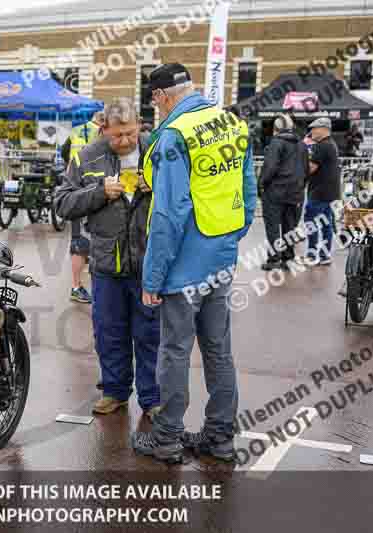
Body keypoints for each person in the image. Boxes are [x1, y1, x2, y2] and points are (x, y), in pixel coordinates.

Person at [130, 64, 256, 463]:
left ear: (161, 97)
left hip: (183, 263)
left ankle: (167, 436)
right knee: (219, 350)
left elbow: (169, 212)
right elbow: (248, 190)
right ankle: (220, 437)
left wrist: (153, 276)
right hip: (220, 257)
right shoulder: (232, 125)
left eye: (155, 103)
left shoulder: (174, 136)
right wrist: (232, 237)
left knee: (175, 351)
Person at [55, 98, 161, 419]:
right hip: (106, 264)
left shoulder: (156, 150)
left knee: (150, 333)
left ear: (139, 125)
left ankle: (152, 397)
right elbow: (62, 202)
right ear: (104, 129)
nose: (125, 141)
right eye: (117, 136)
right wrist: (100, 192)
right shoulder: (88, 156)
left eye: (130, 133)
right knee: (109, 332)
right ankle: (115, 391)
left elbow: (183, 194)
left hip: (148, 263)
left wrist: (154, 186)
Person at [61, 112, 104, 304]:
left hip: (75, 187)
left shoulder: (77, 130)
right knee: (84, 242)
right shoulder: (101, 133)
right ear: (103, 122)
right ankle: (77, 287)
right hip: (91, 189)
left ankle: (79, 285)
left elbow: (64, 152)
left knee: (79, 240)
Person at [260, 114, 309, 270]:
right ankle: (288, 258)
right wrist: (300, 186)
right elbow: (306, 170)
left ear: (276, 129)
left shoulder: (277, 142)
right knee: (290, 227)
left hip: (275, 192)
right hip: (295, 193)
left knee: (273, 226)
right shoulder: (302, 144)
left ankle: (274, 258)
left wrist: (261, 184)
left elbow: (269, 167)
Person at [301, 117, 340, 266]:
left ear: (323, 129)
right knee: (326, 224)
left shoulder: (321, 146)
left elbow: (311, 168)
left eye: (314, 128)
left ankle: (311, 256)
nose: (311, 132)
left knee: (311, 223)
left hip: (319, 192)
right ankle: (324, 255)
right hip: (330, 192)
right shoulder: (331, 144)